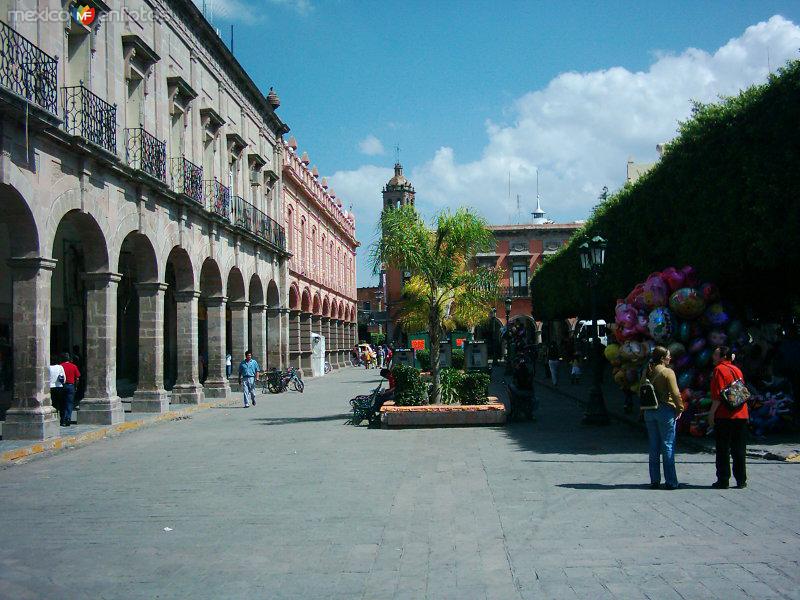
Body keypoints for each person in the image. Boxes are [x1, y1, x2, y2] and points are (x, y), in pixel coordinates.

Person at [640, 346, 684, 490]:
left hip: (649, 410)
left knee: (653, 446)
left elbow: (640, 389)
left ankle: (654, 480)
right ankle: (671, 481)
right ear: (662, 358)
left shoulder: (647, 370)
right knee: (667, 445)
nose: (670, 358)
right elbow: (675, 393)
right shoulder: (667, 372)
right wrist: (680, 408)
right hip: (665, 410)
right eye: (668, 356)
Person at [708, 346, 748, 489]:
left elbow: (717, 396)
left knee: (723, 449)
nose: (713, 357)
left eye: (715, 354)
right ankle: (741, 479)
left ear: (723, 356)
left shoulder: (719, 370)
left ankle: (723, 479)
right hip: (742, 413)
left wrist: (711, 414)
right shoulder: (737, 369)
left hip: (725, 415)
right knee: (739, 449)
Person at [59, 352, 81, 427]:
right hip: (71, 386)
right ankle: (68, 418)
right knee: (69, 403)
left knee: (62, 403)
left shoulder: (60, 366)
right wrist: (76, 386)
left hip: (62, 386)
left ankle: (62, 419)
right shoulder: (73, 366)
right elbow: (77, 377)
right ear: (69, 359)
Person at [48, 357, 66, 425]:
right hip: (59, 386)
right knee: (62, 404)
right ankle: (62, 420)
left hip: (50, 387)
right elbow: (63, 377)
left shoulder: (48, 367)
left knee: (53, 404)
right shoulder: (60, 367)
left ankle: (53, 419)